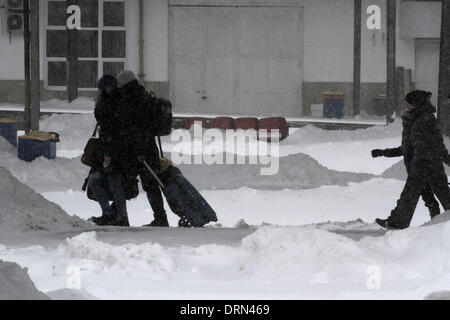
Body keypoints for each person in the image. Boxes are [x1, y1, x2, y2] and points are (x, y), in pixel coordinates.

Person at [376, 90, 450, 229]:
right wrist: (383, 153)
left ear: (416, 103)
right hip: (420, 164)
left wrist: (446, 159)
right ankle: (397, 222)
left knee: (440, 193)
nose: (407, 106)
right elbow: (407, 146)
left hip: (429, 163)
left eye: (409, 103)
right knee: (412, 194)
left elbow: (438, 143)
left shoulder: (427, 119)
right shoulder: (415, 118)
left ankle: (398, 222)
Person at [117, 70, 169, 227]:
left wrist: (139, 151)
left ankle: (159, 218)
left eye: (120, 84)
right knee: (147, 184)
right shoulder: (142, 94)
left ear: (124, 83)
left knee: (133, 181)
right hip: (146, 148)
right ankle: (159, 217)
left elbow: (139, 127)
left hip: (140, 150)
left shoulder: (134, 98)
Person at [371, 110, 441, 219]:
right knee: (426, 197)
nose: (402, 122)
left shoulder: (414, 134)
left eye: (404, 120)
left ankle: (434, 222)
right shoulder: (408, 133)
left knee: (413, 198)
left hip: (419, 172)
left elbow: (409, 151)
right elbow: (403, 150)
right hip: (416, 172)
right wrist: (381, 152)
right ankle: (435, 220)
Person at [88, 75, 130, 227]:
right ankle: (117, 215)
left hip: (110, 150)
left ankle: (114, 215)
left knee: (103, 181)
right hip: (116, 149)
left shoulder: (108, 105)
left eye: (100, 89)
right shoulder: (119, 102)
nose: (98, 92)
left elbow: (109, 130)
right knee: (112, 183)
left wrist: (107, 154)